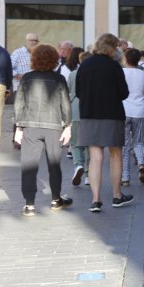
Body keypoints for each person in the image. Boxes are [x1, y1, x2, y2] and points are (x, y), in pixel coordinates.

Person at [13, 44, 73, 216]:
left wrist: (18, 127)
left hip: (30, 125)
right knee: (54, 165)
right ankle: (56, 199)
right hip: (53, 126)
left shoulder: (26, 78)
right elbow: (65, 104)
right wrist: (67, 126)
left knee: (29, 165)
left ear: (34, 60)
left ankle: (29, 204)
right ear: (54, 60)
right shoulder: (59, 79)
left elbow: (19, 104)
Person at [75, 34, 133, 213]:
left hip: (89, 114)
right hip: (112, 114)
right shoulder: (114, 66)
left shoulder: (84, 65)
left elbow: (78, 92)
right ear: (111, 48)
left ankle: (95, 200)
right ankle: (116, 195)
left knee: (95, 157)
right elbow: (124, 93)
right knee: (115, 154)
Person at [121, 49, 144, 186]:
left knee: (125, 145)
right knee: (139, 142)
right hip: (140, 111)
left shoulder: (121, 73)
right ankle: (140, 163)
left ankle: (125, 177)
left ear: (126, 59)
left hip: (123, 111)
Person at [67, 49, 89, 186]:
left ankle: (78, 165)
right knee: (90, 145)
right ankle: (88, 174)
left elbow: (69, 91)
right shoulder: (95, 75)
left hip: (75, 110)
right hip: (91, 112)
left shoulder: (73, 74)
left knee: (75, 143)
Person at [10, 33, 38, 102]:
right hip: (21, 89)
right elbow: (8, 68)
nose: (34, 42)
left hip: (35, 89)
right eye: (32, 40)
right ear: (27, 41)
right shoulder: (17, 53)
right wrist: (17, 75)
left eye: (36, 41)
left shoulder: (38, 54)